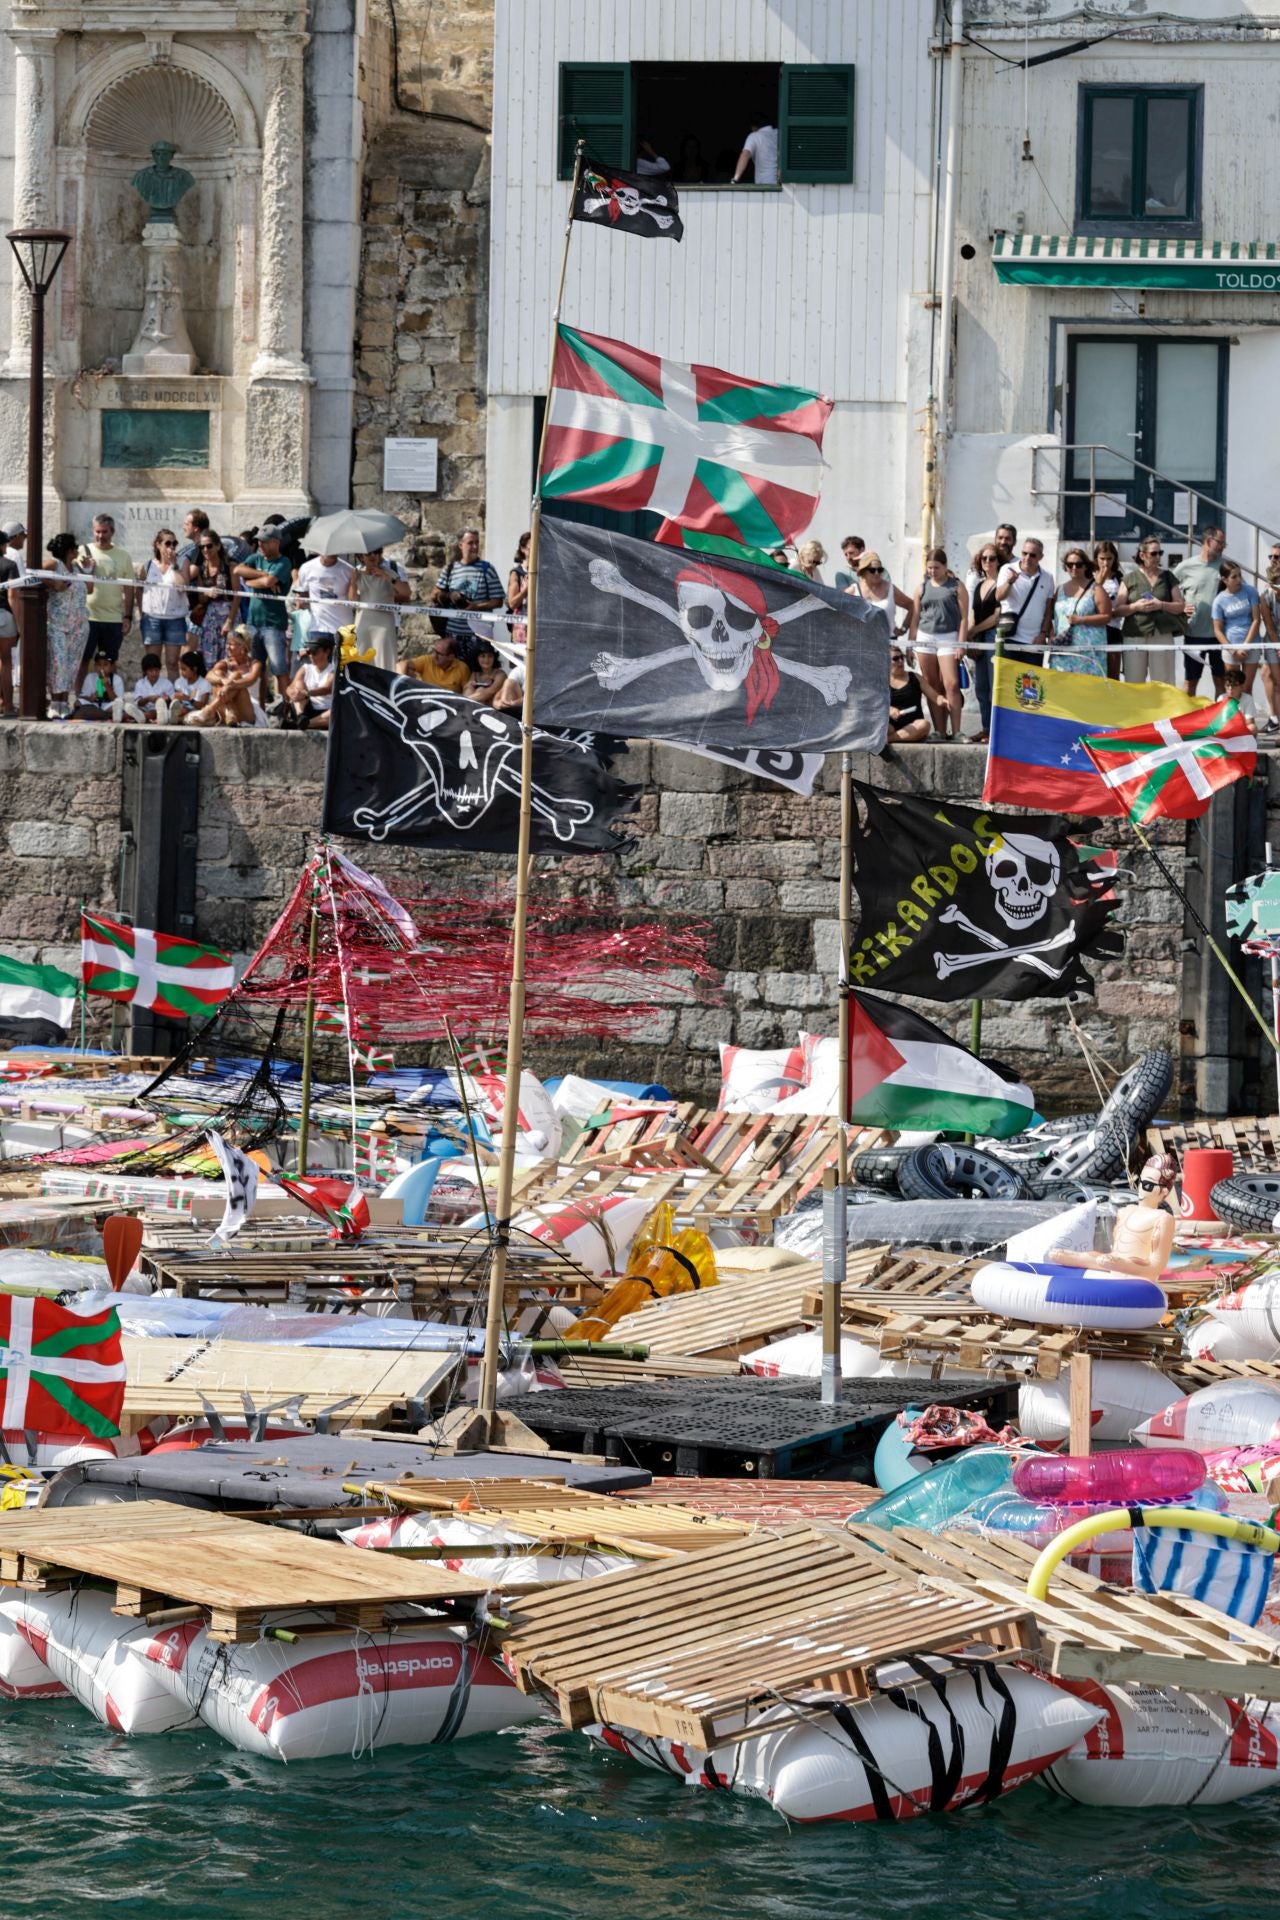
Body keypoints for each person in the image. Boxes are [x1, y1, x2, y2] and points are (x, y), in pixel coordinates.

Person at [1048, 1153, 1179, 1283]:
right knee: (1069, 1256)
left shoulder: (1163, 1218)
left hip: (1136, 1275)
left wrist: (1121, 1265)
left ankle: (1108, 1264)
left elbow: (1156, 1267)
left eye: (1147, 1185)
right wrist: (1111, 1263)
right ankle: (1077, 1258)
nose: (1140, 1189)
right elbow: (1114, 1254)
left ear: (1163, 1191)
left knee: (1107, 1261)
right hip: (1114, 1266)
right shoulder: (1126, 1211)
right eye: (1140, 1181)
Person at [909, 547, 969, 739]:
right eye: (929, 568)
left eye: (936, 567)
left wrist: (961, 643)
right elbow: (915, 617)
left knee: (951, 684)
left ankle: (957, 730)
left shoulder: (956, 587)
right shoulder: (922, 587)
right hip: (925, 638)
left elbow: (964, 618)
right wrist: (911, 645)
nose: (932, 571)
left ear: (945, 566)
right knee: (932, 686)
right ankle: (939, 730)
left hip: (948, 637)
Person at [233, 523, 294, 697]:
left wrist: (252, 580)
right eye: (259, 541)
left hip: (273, 624)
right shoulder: (256, 558)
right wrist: (263, 575)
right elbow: (238, 570)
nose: (260, 544)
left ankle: (285, 709)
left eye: (265, 541)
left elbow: (268, 583)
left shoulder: (284, 562)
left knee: (279, 669)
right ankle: (259, 707)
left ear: (276, 542)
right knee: (256, 668)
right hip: (253, 622)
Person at [430, 528, 503, 667]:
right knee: (453, 674)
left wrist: (476, 607)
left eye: (477, 543)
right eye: (470, 543)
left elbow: (498, 601)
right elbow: (434, 595)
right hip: (453, 634)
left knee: (475, 676)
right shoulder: (450, 568)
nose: (475, 547)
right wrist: (449, 595)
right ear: (460, 545)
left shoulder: (487, 569)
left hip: (478, 635)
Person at [1122, 537, 1186, 687]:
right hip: (1135, 633)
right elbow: (1117, 609)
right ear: (1142, 555)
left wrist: (1161, 605)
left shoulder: (1168, 577)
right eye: (1153, 553)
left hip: (1161, 633)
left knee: (1164, 682)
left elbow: (1180, 606)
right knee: (1134, 682)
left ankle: (1165, 711)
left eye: (1160, 553)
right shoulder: (1129, 578)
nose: (1158, 557)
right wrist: (1135, 607)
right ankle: (1136, 711)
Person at [40, 531, 90, 719]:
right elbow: (34, 571)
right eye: (75, 547)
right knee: (58, 663)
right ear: (69, 550)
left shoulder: (76, 569)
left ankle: (63, 702)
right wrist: (55, 584)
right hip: (58, 624)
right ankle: (54, 702)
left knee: (71, 665)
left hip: (78, 625)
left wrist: (88, 570)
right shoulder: (55, 564)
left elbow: (90, 588)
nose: (78, 550)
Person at [1174, 526, 1227, 696]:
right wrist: (1181, 606)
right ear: (1208, 541)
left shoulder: (1226, 567)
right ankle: (1188, 720)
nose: (1223, 546)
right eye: (1220, 542)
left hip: (1220, 635)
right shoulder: (1185, 567)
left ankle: (1219, 721)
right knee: (1191, 681)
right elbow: (1169, 592)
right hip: (1193, 634)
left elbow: (1239, 591)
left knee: (1221, 681)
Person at [78, 513, 137, 666]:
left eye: (105, 532)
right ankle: (79, 691)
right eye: (98, 531)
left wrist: (128, 616)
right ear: (93, 531)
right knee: (83, 661)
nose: (101, 535)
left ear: (112, 532)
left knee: (109, 663)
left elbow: (129, 588)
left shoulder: (123, 556)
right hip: (87, 617)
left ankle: (106, 690)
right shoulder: (82, 551)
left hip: (113, 619)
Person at [1047, 548, 1111, 677]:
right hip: (1063, 650)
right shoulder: (1059, 589)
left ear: (1085, 566)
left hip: (1089, 654)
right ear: (1065, 567)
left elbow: (1106, 616)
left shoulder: (1096, 589)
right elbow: (1052, 616)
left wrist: (1081, 620)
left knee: (1088, 693)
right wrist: (1051, 634)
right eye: (1070, 564)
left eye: (1078, 564)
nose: (1074, 567)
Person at [185, 627, 266, 727]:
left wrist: (230, 685)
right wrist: (223, 680)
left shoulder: (255, 664)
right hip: (227, 708)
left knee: (237, 675)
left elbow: (250, 680)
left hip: (249, 710)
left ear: (243, 647)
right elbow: (208, 676)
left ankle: (209, 710)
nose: (227, 647)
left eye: (231, 644)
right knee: (218, 674)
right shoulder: (225, 663)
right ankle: (229, 711)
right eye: (227, 643)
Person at [138, 529, 190, 675]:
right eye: (168, 543)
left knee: (173, 662)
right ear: (158, 545)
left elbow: (182, 587)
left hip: (175, 619)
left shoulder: (182, 561)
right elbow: (139, 589)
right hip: (152, 618)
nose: (172, 547)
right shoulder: (148, 565)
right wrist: (141, 611)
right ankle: (150, 695)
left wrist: (174, 566)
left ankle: (174, 695)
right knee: (152, 661)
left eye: (174, 543)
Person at [995, 537, 1054, 665]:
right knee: (1008, 682)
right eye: (1024, 553)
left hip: (1034, 641)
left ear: (1040, 557)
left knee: (1030, 684)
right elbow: (998, 596)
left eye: (1032, 555)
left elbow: (1048, 610)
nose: (1027, 558)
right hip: (1009, 637)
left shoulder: (1048, 577)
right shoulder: (1007, 569)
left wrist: (1043, 634)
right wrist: (1010, 582)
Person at [1212, 559, 1263, 702]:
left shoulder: (1251, 591)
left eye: (1239, 575)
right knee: (1232, 690)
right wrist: (1233, 650)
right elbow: (1218, 630)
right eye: (1234, 577)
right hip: (1230, 649)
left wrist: (1245, 647)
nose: (1239, 579)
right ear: (1224, 579)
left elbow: (1256, 620)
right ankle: (1233, 722)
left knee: (1246, 689)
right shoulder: (1219, 600)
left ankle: (1247, 721)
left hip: (1251, 646)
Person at [967, 542, 1003, 742]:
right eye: (984, 558)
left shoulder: (1001, 585)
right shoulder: (980, 585)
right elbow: (974, 613)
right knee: (981, 687)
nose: (988, 562)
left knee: (993, 687)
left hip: (993, 638)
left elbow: (997, 617)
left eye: (992, 558)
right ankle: (986, 727)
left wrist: (973, 631)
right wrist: (971, 638)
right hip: (980, 638)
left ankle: (995, 731)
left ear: (999, 561)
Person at [353, 546, 411, 670]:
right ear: (361, 556)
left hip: (384, 623)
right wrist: (352, 582)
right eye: (369, 553)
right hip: (363, 622)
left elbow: (406, 593)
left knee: (384, 660)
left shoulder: (389, 572)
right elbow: (352, 600)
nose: (373, 555)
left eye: (376, 552)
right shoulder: (357, 573)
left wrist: (387, 577)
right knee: (361, 658)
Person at [187, 529, 235, 670]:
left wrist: (229, 621)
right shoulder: (202, 569)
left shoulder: (229, 566)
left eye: (209, 546)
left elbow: (237, 595)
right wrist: (207, 593)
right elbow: (201, 598)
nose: (205, 550)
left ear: (218, 546)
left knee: (229, 658)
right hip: (210, 620)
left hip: (228, 615)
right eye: (202, 547)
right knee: (209, 659)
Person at [295, 549, 356, 644]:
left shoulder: (349, 570)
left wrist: (353, 583)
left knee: (342, 659)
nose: (331, 551)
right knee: (318, 659)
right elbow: (302, 593)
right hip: (318, 628)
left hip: (344, 629)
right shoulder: (306, 568)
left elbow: (353, 600)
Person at [848, 550, 911, 634]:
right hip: (861, 644)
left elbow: (913, 606)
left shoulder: (891, 589)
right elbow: (835, 612)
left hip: (888, 643)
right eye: (872, 570)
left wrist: (904, 628)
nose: (877, 573)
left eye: (880, 570)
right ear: (863, 572)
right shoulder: (853, 590)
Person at [281, 635, 334, 731]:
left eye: (315, 652)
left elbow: (326, 689)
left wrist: (307, 693)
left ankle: (304, 724)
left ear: (327, 652)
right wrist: (293, 693)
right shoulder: (305, 668)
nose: (311, 655)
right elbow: (289, 688)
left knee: (337, 712)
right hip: (305, 709)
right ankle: (300, 716)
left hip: (325, 712)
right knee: (298, 684)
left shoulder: (334, 670)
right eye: (309, 652)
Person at [1093, 540, 1126, 681]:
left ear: (1115, 559)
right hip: (1092, 630)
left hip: (1113, 629)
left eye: (1109, 559)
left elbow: (1124, 602)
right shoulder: (1089, 576)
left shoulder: (1120, 578)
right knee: (1095, 673)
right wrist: (1098, 583)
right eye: (1102, 559)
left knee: (1113, 675)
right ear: (1096, 559)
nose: (1105, 563)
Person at [886, 645, 930, 745]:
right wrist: (888, 709)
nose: (901, 661)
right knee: (882, 727)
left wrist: (944, 701)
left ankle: (889, 739)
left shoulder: (915, 677)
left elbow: (935, 697)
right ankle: (896, 737)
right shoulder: (881, 681)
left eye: (902, 657)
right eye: (896, 659)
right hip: (891, 726)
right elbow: (871, 704)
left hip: (913, 725)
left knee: (924, 725)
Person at [73, 647, 128, 723]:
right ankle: (108, 715)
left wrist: (107, 686)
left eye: (105, 665)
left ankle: (104, 715)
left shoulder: (116, 679)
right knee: (78, 702)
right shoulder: (90, 677)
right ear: (95, 666)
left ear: (112, 666)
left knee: (118, 705)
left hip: (108, 706)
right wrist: (91, 698)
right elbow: (84, 697)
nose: (101, 668)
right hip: (94, 706)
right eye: (99, 665)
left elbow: (118, 700)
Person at [407, 630, 471, 693]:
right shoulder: (427, 660)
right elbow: (403, 664)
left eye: (439, 654)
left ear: (451, 657)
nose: (434, 655)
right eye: (434, 651)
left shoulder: (462, 668)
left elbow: (467, 690)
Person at [0, 528, 19, 717]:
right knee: (6, 663)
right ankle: (8, 706)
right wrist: (19, 621)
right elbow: (13, 594)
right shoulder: (10, 564)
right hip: (4, 615)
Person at [169, 647, 212, 724]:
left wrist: (188, 699)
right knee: (180, 710)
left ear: (194, 669)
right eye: (181, 669)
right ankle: (175, 718)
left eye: (184, 669)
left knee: (199, 716)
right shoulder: (179, 682)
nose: (182, 672)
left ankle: (174, 719)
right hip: (182, 711)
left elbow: (202, 705)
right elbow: (177, 703)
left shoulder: (204, 684)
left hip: (196, 712)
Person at [732, 114, 778, 185]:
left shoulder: (754, 136)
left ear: (753, 127)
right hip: (784, 184)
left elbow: (745, 155)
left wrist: (735, 179)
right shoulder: (779, 133)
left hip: (765, 184)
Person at [131, 651, 175, 723]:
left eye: (156, 670)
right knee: (134, 710)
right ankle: (140, 716)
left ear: (159, 670)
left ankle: (140, 717)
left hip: (160, 711)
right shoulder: (140, 684)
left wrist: (163, 700)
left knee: (156, 712)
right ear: (145, 671)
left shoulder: (167, 683)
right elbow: (138, 703)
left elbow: (171, 702)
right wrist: (148, 699)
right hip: (143, 709)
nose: (154, 673)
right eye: (151, 671)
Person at [465, 641, 507, 706]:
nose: (486, 660)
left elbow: (491, 691)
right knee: (469, 689)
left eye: (490, 656)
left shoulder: (500, 674)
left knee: (480, 690)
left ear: (494, 658)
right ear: (477, 658)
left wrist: (466, 700)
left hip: (493, 707)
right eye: (483, 656)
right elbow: (466, 688)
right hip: (475, 703)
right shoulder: (475, 674)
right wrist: (469, 685)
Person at [507, 531, 530, 646]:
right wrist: (526, 590)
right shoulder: (517, 573)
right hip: (521, 629)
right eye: (531, 548)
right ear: (523, 549)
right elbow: (512, 603)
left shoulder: (545, 572)